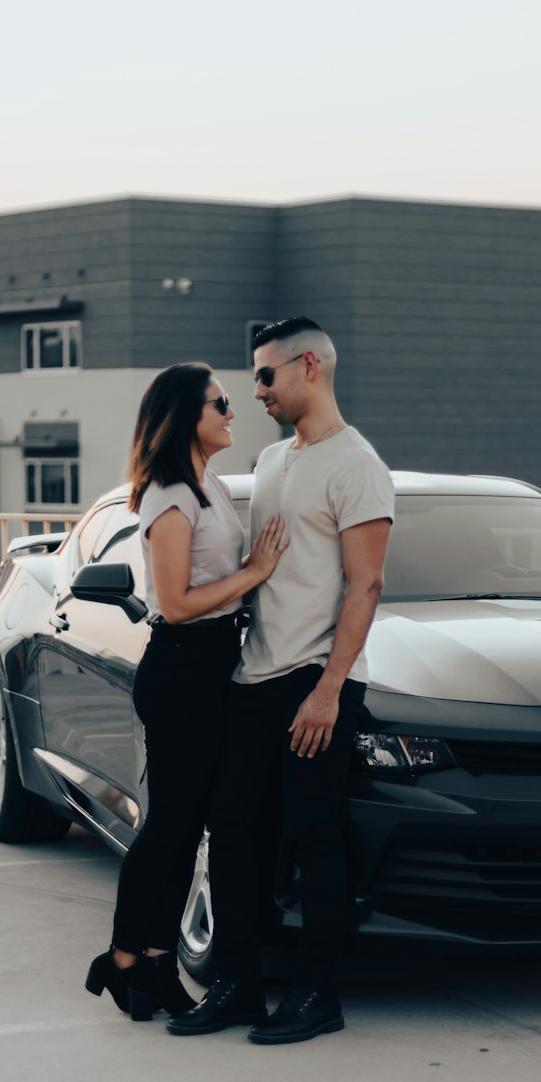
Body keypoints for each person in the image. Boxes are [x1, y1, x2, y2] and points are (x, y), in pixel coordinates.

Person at [167, 318, 394, 1042]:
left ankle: (317, 994)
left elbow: (366, 586)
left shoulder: (357, 465)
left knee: (316, 836)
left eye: (265, 375)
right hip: (252, 677)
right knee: (232, 829)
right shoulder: (270, 462)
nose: (255, 390)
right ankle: (237, 984)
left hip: (313, 685)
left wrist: (330, 688)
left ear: (309, 367)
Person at [86, 362, 287, 1020]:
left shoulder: (210, 485)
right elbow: (174, 602)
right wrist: (255, 572)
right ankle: (120, 959)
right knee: (171, 825)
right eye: (219, 402)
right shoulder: (169, 493)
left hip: (209, 667)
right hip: (181, 671)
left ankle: (154, 965)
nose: (232, 411)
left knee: (184, 825)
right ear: (184, 417)